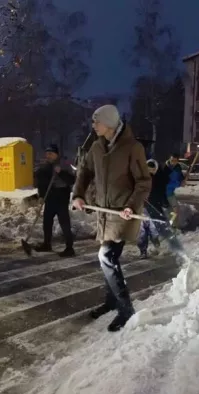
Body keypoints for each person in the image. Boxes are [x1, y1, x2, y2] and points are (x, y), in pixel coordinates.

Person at [72, 104, 151, 332]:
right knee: (108, 258)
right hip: (104, 213)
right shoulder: (96, 147)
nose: (93, 125)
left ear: (108, 123)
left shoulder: (132, 148)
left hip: (123, 213)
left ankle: (126, 309)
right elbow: (84, 172)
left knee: (106, 256)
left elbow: (144, 182)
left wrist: (131, 205)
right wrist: (78, 194)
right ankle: (111, 300)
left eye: (96, 121)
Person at [34, 144, 75, 257]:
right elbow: (41, 183)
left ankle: (69, 248)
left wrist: (61, 172)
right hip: (50, 197)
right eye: (47, 154)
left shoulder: (65, 164)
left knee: (64, 222)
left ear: (57, 154)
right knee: (47, 221)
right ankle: (47, 244)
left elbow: (72, 180)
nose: (48, 156)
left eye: (51, 153)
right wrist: (41, 196)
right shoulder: (45, 166)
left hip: (61, 197)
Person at [137, 159, 169, 259]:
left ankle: (156, 246)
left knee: (154, 229)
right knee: (141, 232)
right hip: (141, 208)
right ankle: (143, 251)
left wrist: (165, 203)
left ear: (155, 169)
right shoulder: (139, 179)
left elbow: (162, 193)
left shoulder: (160, 179)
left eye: (152, 169)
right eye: (148, 169)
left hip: (154, 208)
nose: (150, 171)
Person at [163, 153, 184, 227]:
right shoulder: (165, 168)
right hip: (165, 193)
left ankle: (173, 226)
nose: (173, 162)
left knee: (175, 210)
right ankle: (169, 226)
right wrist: (178, 184)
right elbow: (165, 183)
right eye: (172, 160)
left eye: (175, 161)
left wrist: (182, 180)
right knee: (170, 211)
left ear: (177, 161)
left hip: (171, 193)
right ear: (169, 159)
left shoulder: (178, 168)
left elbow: (180, 177)